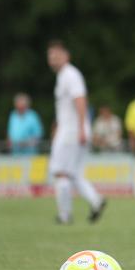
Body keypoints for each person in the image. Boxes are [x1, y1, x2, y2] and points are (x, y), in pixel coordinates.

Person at [47, 41, 106, 224]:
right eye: (50, 56)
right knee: (74, 173)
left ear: (66, 55)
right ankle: (96, 200)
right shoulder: (64, 76)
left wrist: (81, 128)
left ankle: (65, 215)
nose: (53, 60)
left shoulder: (70, 75)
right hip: (72, 130)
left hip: (71, 132)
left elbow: (80, 100)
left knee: (60, 172)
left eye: (56, 55)